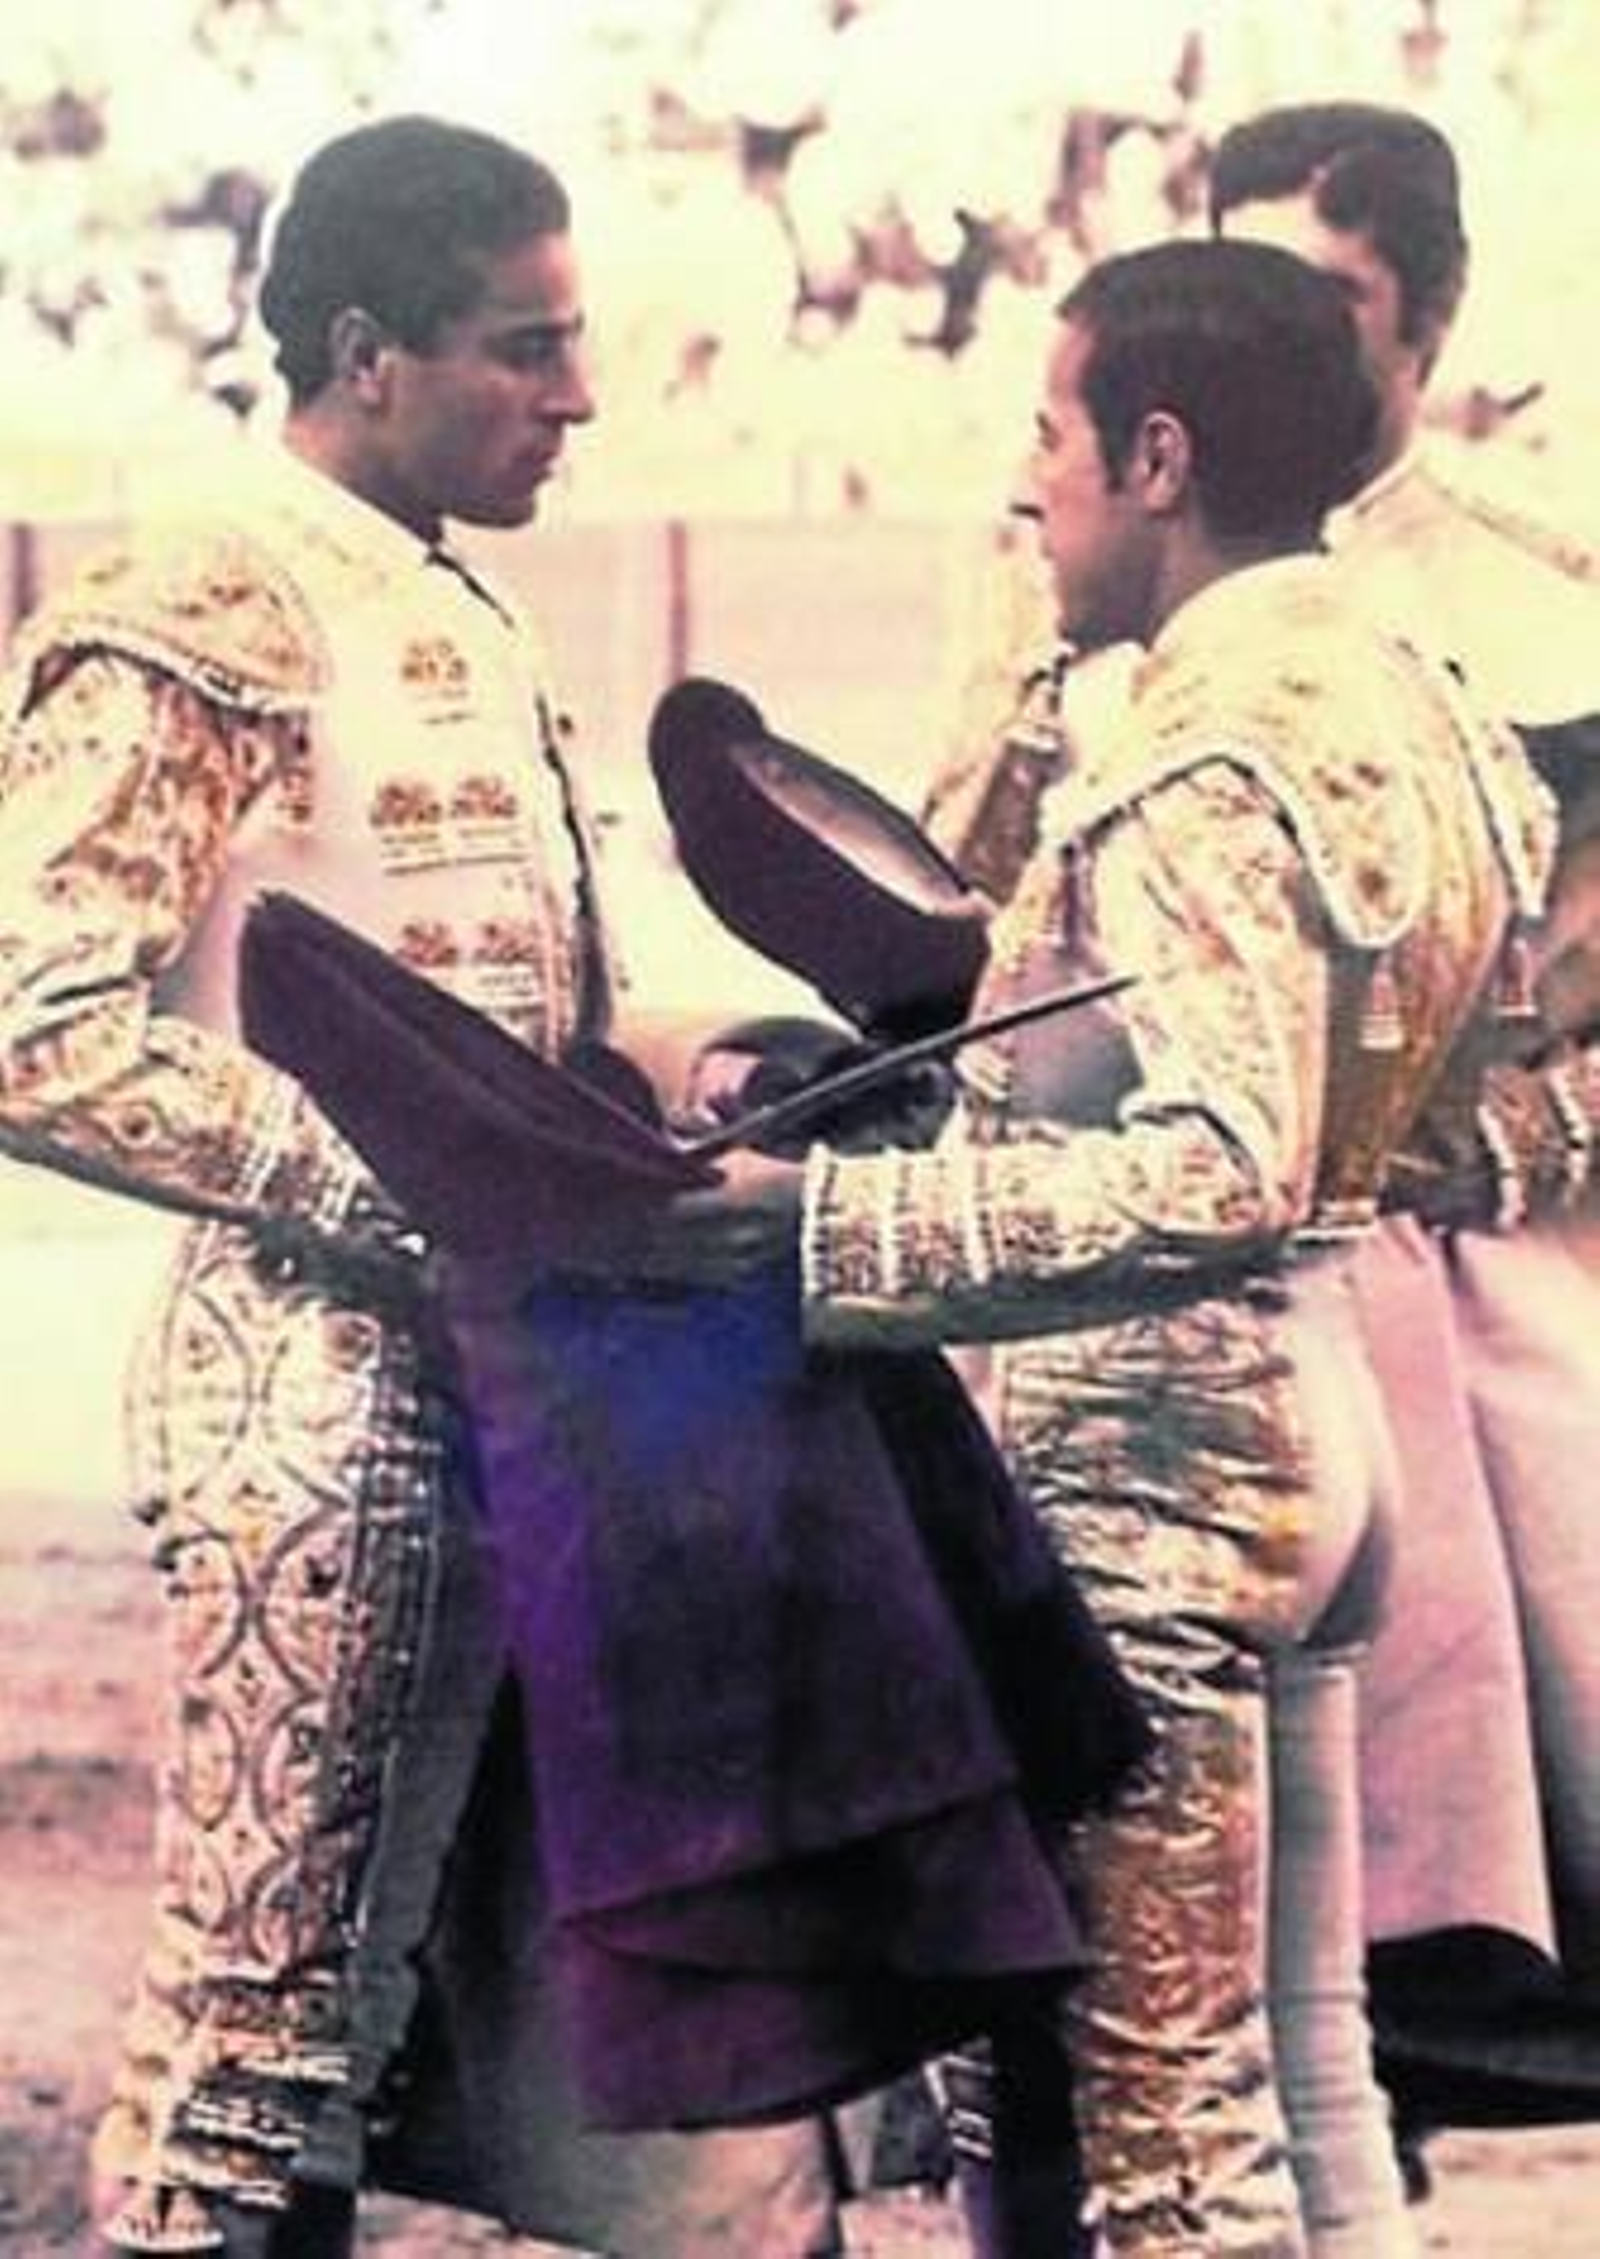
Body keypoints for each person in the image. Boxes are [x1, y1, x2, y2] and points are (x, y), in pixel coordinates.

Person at [0, 115, 845, 2258]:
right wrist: (419, 1187)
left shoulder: (439, 595)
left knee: (362, 2015)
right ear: (367, 353)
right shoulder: (207, 598)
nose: (578, 397)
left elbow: (533, 1006)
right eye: (524, 348)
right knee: (257, 2030)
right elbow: (23, 1017)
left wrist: (715, 1073)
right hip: (319, 1394)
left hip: (508, 1377)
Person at [680, 237, 1553, 2254]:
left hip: (1154, 1466)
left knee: (1160, 2124)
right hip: (1331, 1412)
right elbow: (1461, 1123)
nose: (1028, 483)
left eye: (1050, 435)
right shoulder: (1423, 706)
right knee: (1307, 2067)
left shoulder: (1208, 748)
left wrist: (822, 1221)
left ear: (1157, 459)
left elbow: (1213, 1169)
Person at [1212, 99, 1600, 2150]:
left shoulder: (1552, 599)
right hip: (1175, 1249)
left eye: (1324, 304)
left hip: (1482, 1266)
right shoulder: (1092, 562)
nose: (1264, 348)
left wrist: (1505, 1144)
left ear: (1429, 324)